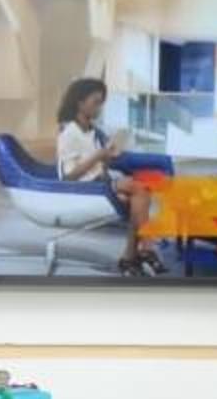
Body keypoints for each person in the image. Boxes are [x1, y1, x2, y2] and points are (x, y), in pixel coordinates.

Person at [55, 76, 158, 273]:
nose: (99, 108)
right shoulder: (68, 133)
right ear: (80, 103)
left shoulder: (93, 131)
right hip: (86, 188)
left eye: (101, 103)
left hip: (101, 182)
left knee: (139, 197)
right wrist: (99, 155)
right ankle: (146, 248)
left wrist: (108, 157)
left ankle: (129, 258)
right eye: (95, 102)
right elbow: (68, 176)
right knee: (138, 188)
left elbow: (98, 165)